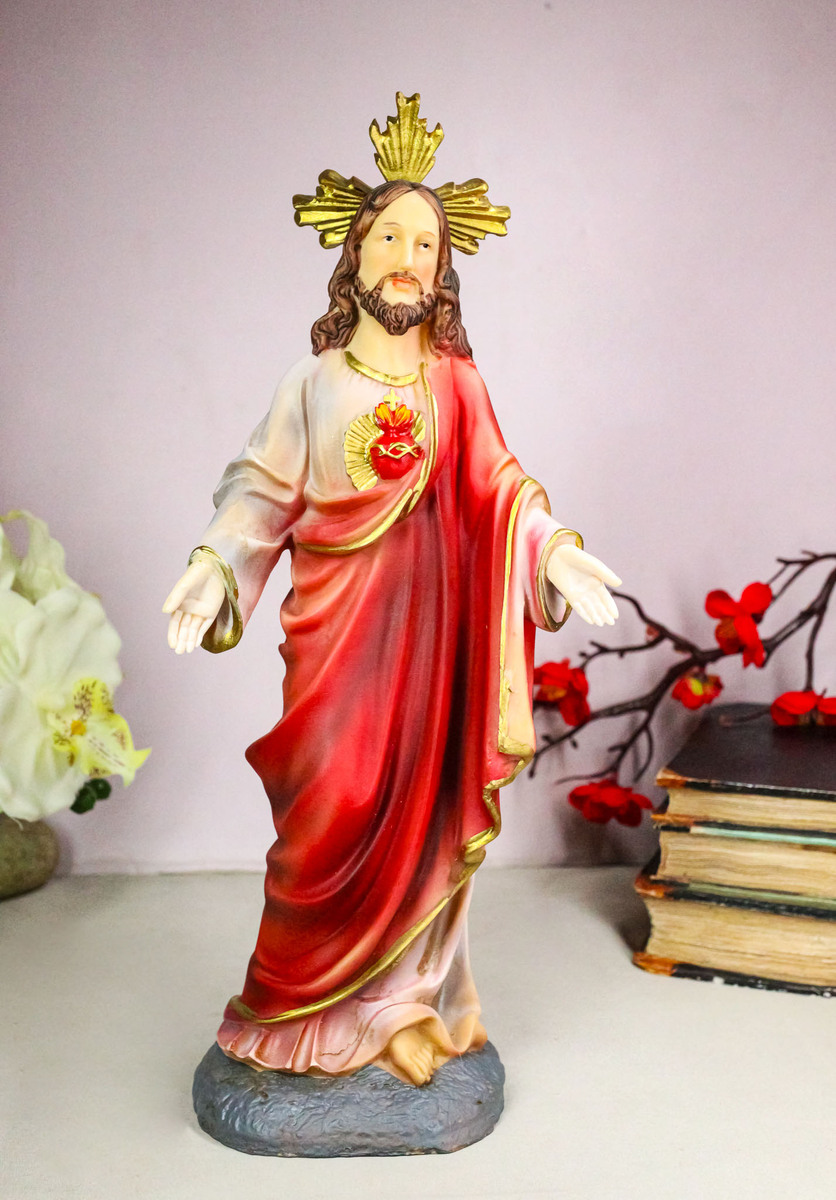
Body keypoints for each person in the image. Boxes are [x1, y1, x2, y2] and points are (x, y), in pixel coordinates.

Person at [163, 101, 620, 1088]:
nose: (407, 258)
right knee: (331, 812)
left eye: (425, 244)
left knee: (422, 816)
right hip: (336, 650)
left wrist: (550, 552)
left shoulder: (457, 385)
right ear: (355, 254)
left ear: (443, 268)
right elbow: (260, 492)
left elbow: (500, 488)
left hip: (432, 654)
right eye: (389, 238)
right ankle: (303, 1016)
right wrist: (213, 566)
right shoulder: (313, 381)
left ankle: (399, 1010)